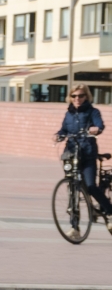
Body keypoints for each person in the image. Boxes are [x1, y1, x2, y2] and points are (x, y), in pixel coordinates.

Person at [56, 84, 112, 217]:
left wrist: (96, 129)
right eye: (74, 96)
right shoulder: (68, 114)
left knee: (91, 186)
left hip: (87, 153)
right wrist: (58, 135)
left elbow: (99, 125)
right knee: (72, 187)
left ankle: (110, 211)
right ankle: (75, 228)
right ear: (70, 97)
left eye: (81, 95)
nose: (77, 98)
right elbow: (64, 129)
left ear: (86, 96)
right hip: (71, 153)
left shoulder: (93, 112)